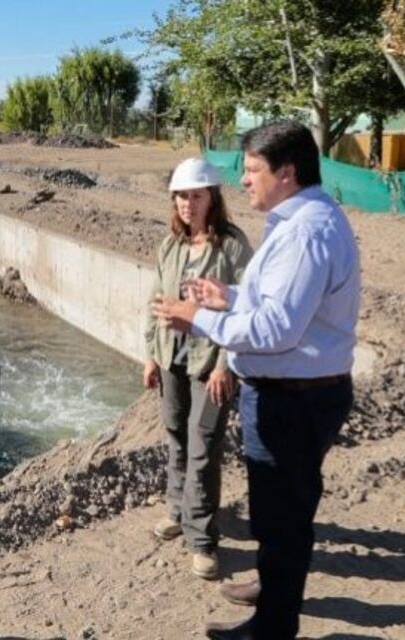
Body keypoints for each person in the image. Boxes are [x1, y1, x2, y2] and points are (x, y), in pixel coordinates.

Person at [152, 121, 360, 640]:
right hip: (295, 393)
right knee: (277, 513)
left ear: (286, 173)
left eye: (251, 171)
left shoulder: (306, 232)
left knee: (283, 518)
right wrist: (229, 298)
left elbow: (277, 330)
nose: (243, 182)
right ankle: (273, 587)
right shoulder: (298, 221)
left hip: (294, 399)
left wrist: (197, 318)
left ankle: (272, 626)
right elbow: (275, 306)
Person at [144, 158, 252, 580]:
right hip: (173, 358)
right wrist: (150, 354)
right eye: (181, 196)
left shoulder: (233, 247)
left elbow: (246, 307)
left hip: (210, 366)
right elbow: (154, 303)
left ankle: (203, 539)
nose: (188, 203)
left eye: (196, 195)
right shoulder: (170, 245)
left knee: (203, 447)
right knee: (176, 438)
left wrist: (227, 365)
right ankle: (177, 509)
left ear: (212, 198)